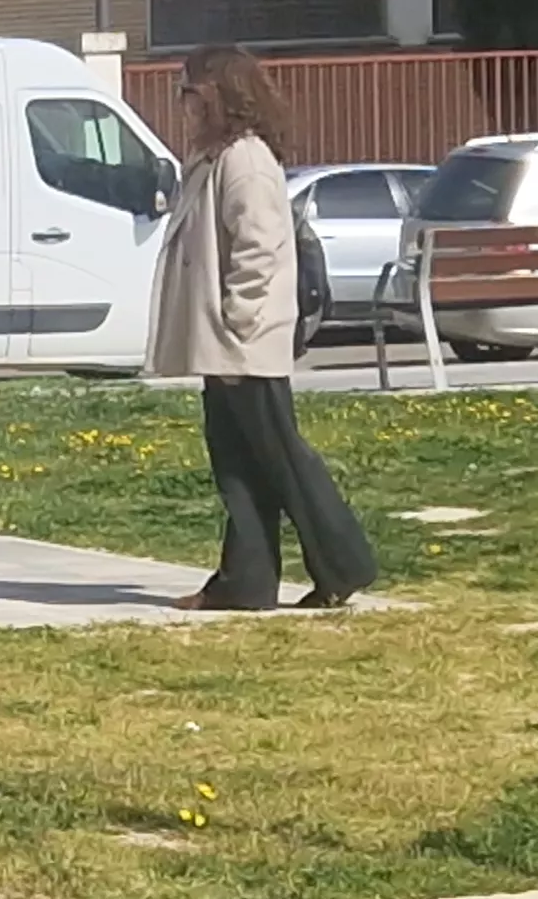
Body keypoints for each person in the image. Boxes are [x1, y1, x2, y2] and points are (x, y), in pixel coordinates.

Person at [152, 45, 377, 610]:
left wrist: (237, 322)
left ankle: (342, 565)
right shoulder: (216, 156)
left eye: (189, 92)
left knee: (279, 459)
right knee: (241, 464)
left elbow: (258, 247)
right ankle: (245, 583)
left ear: (217, 96)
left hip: (242, 343)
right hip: (229, 343)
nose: (183, 105)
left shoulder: (245, 160)